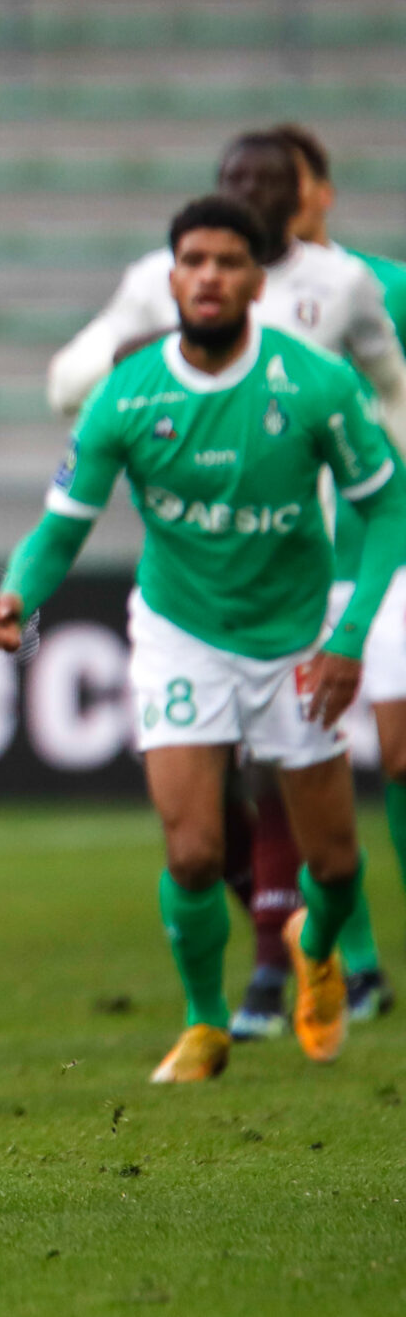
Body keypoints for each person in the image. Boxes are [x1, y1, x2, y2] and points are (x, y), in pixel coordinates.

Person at [0, 195, 406, 1082]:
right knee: (194, 848)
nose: (208, 276)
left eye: (226, 261)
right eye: (193, 261)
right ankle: (205, 1021)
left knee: (333, 864)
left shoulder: (317, 386)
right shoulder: (126, 398)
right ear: (171, 275)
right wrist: (18, 593)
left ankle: (315, 946)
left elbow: (388, 504)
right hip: (182, 633)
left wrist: (352, 635)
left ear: (258, 280)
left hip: (299, 637)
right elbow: (62, 526)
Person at [263, 122, 406, 1024]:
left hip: (386, 545)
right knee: (311, 758)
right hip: (296, 558)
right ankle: (353, 963)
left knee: (402, 754)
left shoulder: (381, 287)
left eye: (291, 178)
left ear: (321, 192)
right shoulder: (233, 298)